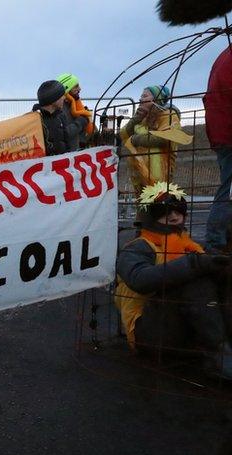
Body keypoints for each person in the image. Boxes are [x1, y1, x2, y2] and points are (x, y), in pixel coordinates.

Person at [114, 182, 232, 380]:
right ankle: (219, 355)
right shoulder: (137, 247)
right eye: (164, 212)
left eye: (179, 210)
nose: (174, 216)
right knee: (195, 282)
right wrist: (194, 264)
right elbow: (140, 280)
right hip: (148, 332)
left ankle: (224, 346)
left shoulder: (191, 245)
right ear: (148, 216)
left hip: (180, 329)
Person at [119, 85, 186, 193]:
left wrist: (136, 139)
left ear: (156, 99)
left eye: (145, 96)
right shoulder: (142, 117)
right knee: (142, 202)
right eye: (141, 96)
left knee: (157, 201)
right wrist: (135, 120)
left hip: (160, 172)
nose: (140, 99)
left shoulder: (169, 115)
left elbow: (164, 138)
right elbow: (124, 134)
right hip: (139, 170)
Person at [203, 43, 232, 252]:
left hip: (221, 132)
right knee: (228, 190)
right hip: (228, 132)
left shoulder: (223, 57)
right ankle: (216, 242)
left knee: (227, 187)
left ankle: (219, 239)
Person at [32, 80, 76, 156]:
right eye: (61, 95)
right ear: (53, 98)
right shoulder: (35, 120)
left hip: (62, 165)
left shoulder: (61, 116)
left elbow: (67, 142)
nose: (64, 98)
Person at [56, 73, 94, 150]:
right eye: (76, 86)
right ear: (67, 89)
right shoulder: (59, 108)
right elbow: (62, 134)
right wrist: (81, 122)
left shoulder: (73, 105)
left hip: (73, 154)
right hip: (65, 156)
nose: (80, 89)